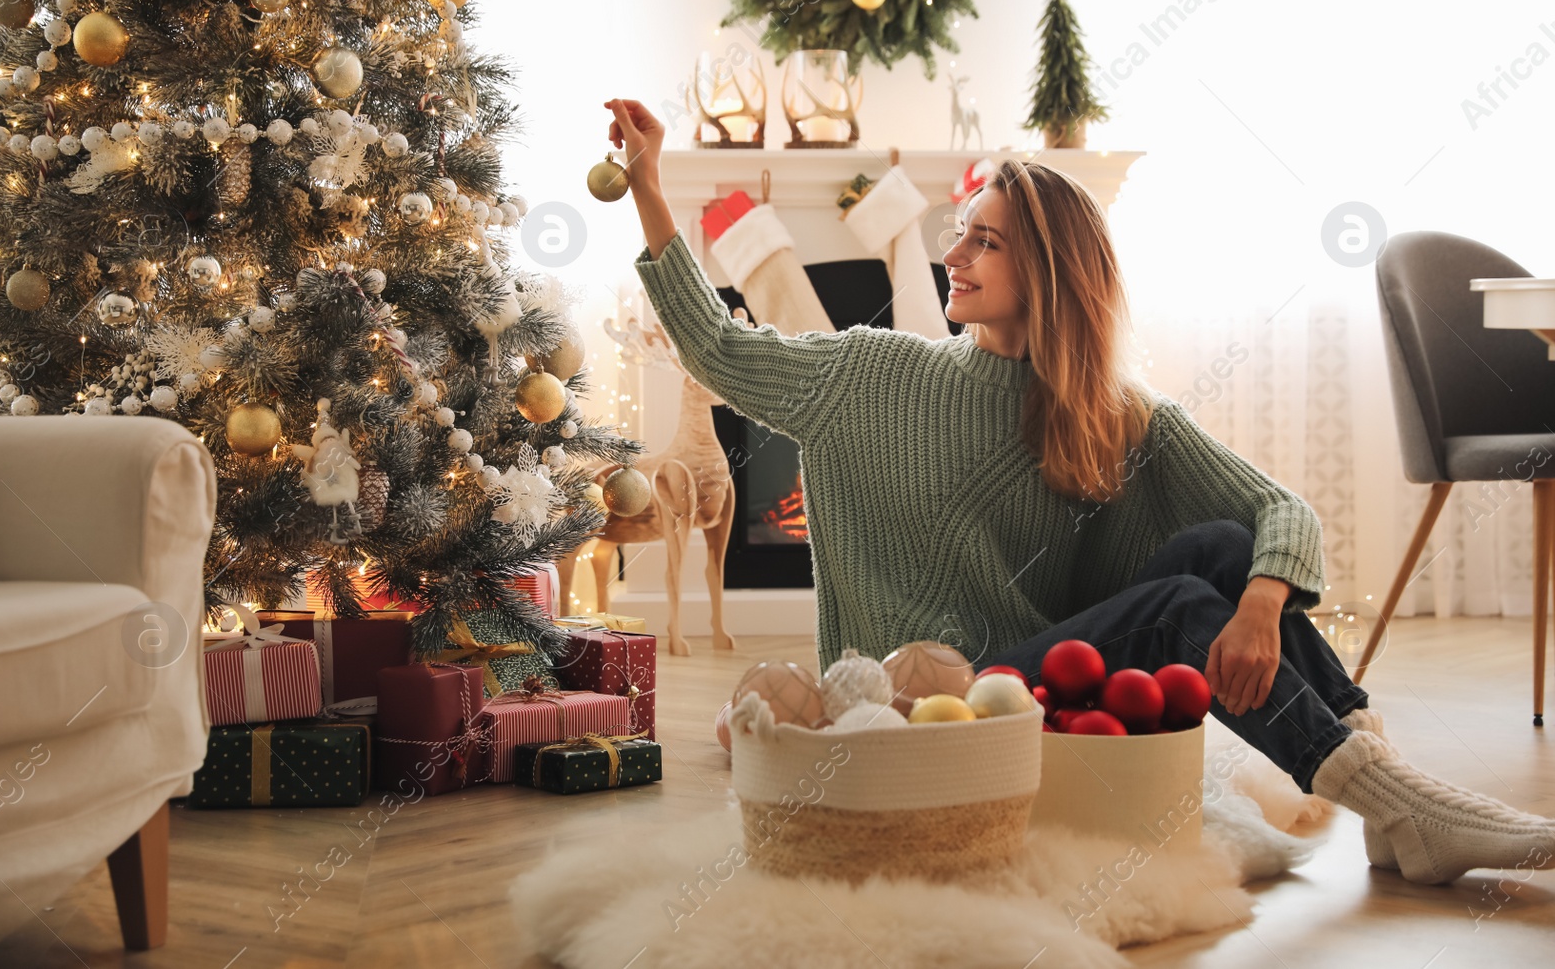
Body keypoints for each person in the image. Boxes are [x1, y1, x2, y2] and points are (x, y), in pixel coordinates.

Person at [604, 97, 1555, 885]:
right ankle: (1398, 805)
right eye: (959, 236)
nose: (955, 256)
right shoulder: (870, 373)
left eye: (986, 243)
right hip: (940, 694)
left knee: (1225, 553)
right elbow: (720, 349)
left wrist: (1264, 599)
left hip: (1042, 680)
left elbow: (1279, 511)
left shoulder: (1111, 412)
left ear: (1050, 273)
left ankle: (1388, 802)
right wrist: (651, 185)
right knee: (1186, 604)